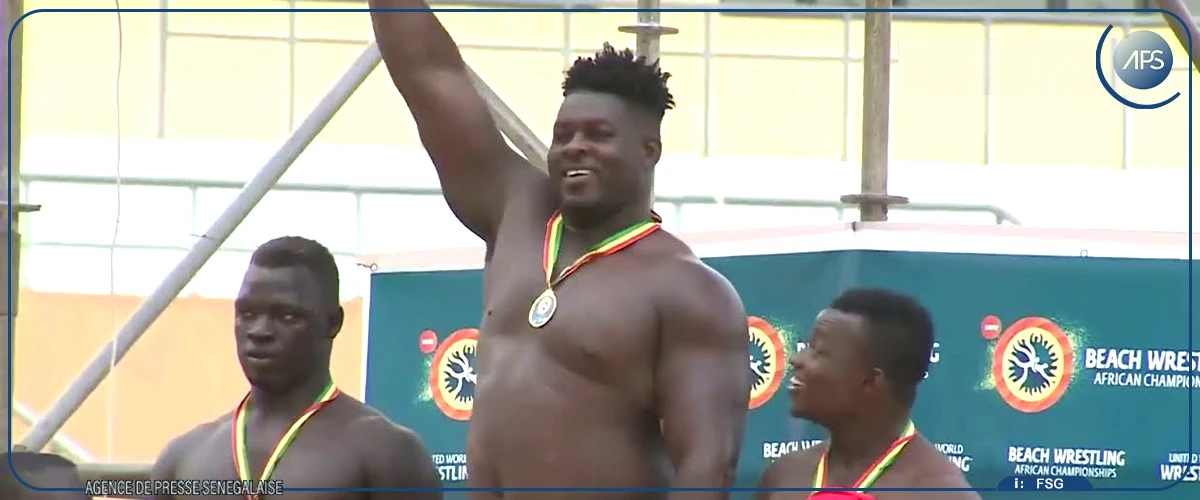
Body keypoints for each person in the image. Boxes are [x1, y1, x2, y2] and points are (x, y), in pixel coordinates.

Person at [369, 3, 751, 499]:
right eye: (563, 135)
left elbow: (707, 467)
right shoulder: (516, 212)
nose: (575, 147)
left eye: (599, 136)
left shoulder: (689, 290)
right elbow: (428, 74)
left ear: (648, 150)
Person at [150, 236, 441, 500]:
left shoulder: (386, 453)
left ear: (332, 322)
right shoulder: (182, 459)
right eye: (247, 314)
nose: (259, 331)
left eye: (286, 315)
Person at [756, 288, 978, 500]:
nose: (796, 359)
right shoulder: (783, 476)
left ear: (871, 381)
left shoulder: (941, 492)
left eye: (818, 352)